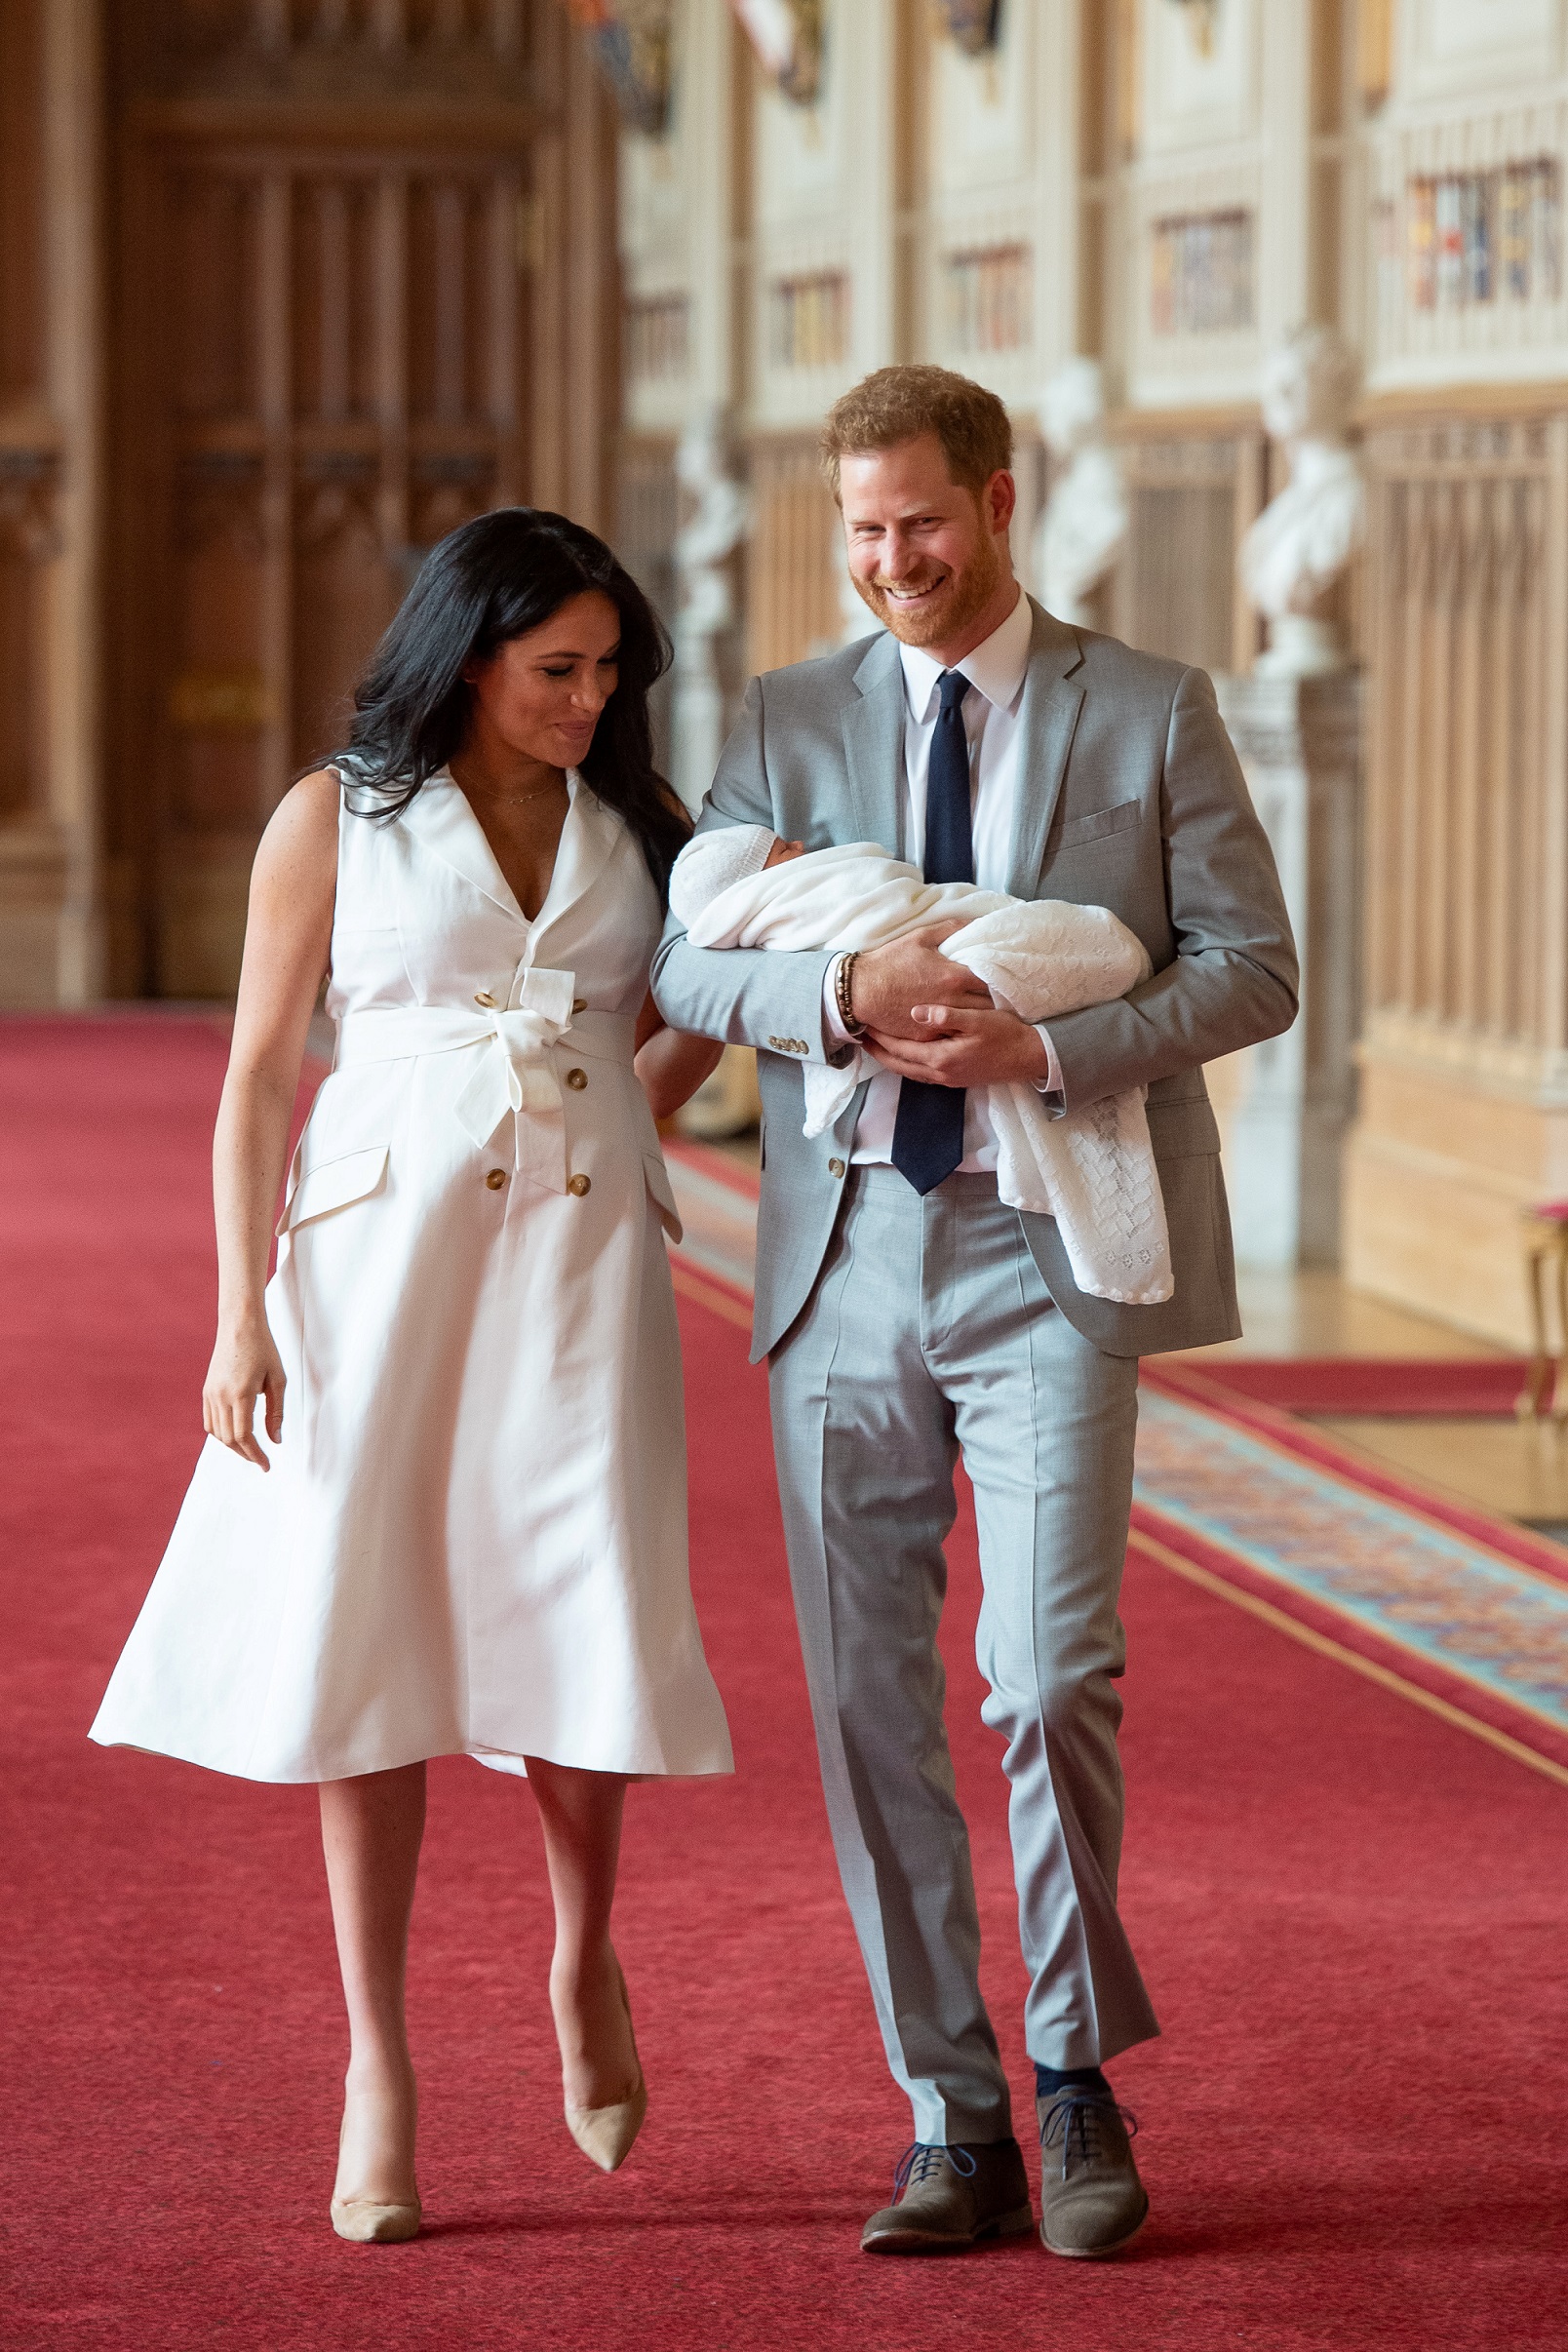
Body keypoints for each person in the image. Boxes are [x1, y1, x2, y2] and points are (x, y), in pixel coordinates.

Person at [652, 365, 1297, 2261]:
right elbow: (699, 955)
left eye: (917, 524)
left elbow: (1255, 969)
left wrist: (1055, 1037)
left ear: (996, 503)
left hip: (1049, 1255)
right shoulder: (781, 716)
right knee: (868, 1709)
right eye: (858, 532)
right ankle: (949, 2109)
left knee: (1049, 1675)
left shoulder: (1151, 709)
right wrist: (841, 997)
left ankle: (1078, 2075)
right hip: (843, 1257)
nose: (888, 563)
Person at [92, 507, 732, 2244]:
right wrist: (241, 1316)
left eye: (608, 672)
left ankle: (581, 1955)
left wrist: (618, 1105)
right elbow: (248, 1081)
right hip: (370, 1265)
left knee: (578, 1591)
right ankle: (380, 2063)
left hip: (581, 1262)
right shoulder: (335, 819)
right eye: (556, 670)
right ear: (466, 657)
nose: (588, 700)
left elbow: (698, 1014)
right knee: (363, 1620)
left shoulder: (640, 828)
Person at [666, 825, 1170, 1303]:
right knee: (1081, 948)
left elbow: (891, 891)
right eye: (780, 850)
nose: (799, 843)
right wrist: (850, 987)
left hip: (1023, 1232)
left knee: (1080, 949)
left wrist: (1039, 1052)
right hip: (849, 1202)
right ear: (757, 887)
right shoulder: (770, 759)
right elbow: (679, 974)